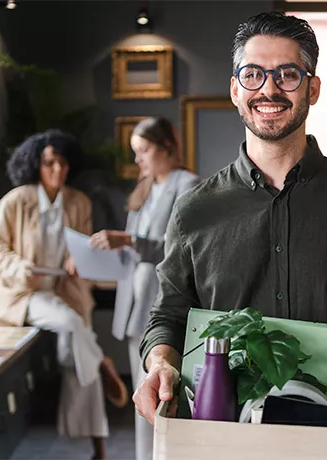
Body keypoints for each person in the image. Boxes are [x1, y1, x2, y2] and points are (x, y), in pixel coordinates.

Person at [131, 12, 327, 438]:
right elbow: (169, 314)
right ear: (235, 89)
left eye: (287, 74)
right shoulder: (194, 210)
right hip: (223, 435)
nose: (268, 89)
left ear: (313, 88)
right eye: (252, 74)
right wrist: (161, 364)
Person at [0, 129, 128, 460]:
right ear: (36, 163)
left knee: (75, 358)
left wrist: (75, 258)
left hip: (67, 290)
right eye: (50, 162)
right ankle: (100, 374)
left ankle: (98, 448)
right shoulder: (15, 201)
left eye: (63, 162)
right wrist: (20, 267)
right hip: (26, 294)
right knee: (74, 328)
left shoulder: (79, 202)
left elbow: (82, 247)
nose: (57, 170)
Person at [88, 117, 198, 460]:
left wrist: (129, 239)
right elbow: (134, 250)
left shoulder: (188, 184)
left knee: (157, 387)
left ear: (167, 146)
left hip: (160, 300)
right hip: (134, 299)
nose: (138, 160)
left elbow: (180, 248)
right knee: (142, 393)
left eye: (144, 150)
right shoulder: (145, 188)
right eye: (135, 152)